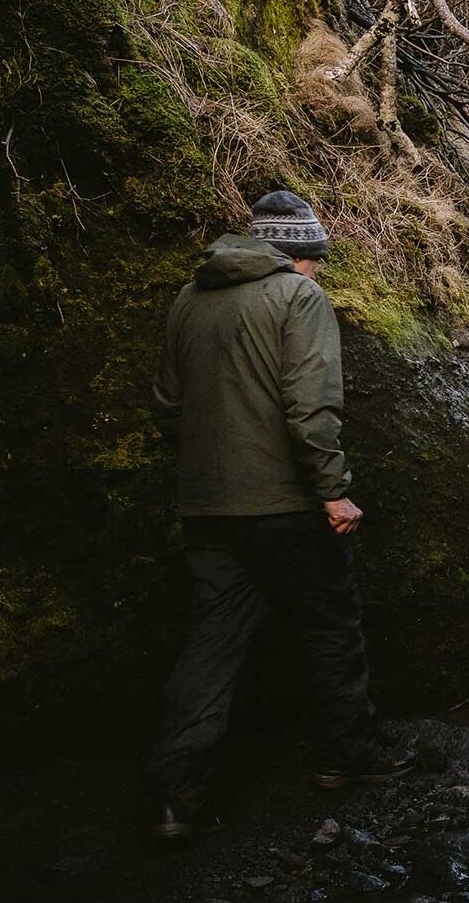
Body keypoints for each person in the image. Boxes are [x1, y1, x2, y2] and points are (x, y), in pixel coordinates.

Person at [148, 190, 412, 845]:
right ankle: (344, 756)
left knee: (212, 643)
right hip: (288, 503)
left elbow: (167, 406)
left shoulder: (188, 298)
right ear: (297, 255)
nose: (320, 269)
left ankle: (178, 796)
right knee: (331, 624)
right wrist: (332, 489)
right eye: (317, 259)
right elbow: (311, 405)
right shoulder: (299, 296)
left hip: (208, 508)